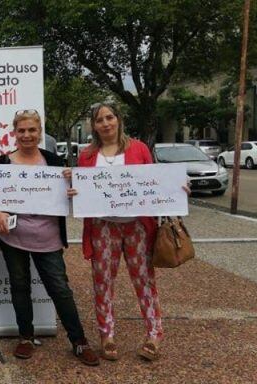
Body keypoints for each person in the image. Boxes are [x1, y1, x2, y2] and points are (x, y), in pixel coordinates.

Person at [65, 102, 189, 362]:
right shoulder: (87, 156)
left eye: (110, 117)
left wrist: (178, 188)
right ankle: (106, 333)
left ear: (119, 120)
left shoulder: (139, 148)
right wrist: (74, 189)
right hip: (102, 227)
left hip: (137, 226)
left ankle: (155, 333)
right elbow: (80, 190)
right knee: (102, 282)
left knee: (144, 280)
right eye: (99, 120)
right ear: (94, 125)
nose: (106, 124)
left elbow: (155, 181)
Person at [0, 110, 99, 366]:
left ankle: (79, 341)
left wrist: (73, 191)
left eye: (32, 130)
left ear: (40, 132)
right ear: (14, 133)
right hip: (13, 237)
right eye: (22, 130)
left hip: (48, 237)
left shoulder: (54, 162)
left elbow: (70, 197)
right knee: (19, 287)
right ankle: (26, 337)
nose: (27, 135)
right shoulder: (2, 162)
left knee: (60, 290)